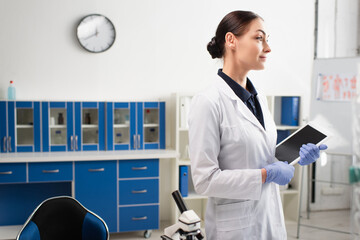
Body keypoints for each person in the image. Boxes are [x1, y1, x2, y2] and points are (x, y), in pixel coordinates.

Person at [188, 10, 327, 240]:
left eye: (267, 40)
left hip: (270, 219)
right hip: (235, 229)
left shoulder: (259, 98)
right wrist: (266, 174)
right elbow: (205, 180)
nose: (268, 48)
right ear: (231, 40)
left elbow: (261, 154)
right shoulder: (208, 101)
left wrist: (295, 154)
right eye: (259, 38)